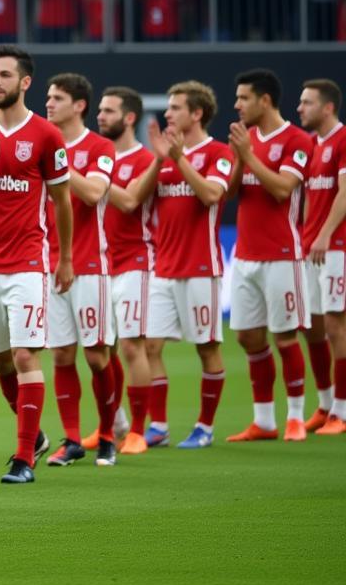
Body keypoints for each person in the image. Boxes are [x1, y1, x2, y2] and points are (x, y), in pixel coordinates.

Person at [0, 45, 73, 484]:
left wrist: (64, 258)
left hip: (29, 262)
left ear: (25, 82)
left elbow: (63, 200)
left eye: (5, 75)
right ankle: (37, 436)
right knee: (0, 363)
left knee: (25, 353)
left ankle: (24, 458)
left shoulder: (46, 135)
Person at [123, 82, 233, 448]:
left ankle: (204, 426)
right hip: (162, 268)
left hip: (201, 267)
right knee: (150, 347)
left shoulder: (218, 152)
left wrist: (180, 159)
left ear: (197, 113)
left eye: (176, 108)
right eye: (168, 107)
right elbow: (135, 200)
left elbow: (212, 195)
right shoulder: (163, 156)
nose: (168, 114)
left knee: (207, 347)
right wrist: (159, 159)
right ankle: (160, 425)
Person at [226, 69, 314, 442]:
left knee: (285, 338)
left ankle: (295, 416)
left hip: (282, 254)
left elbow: (282, 190)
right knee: (248, 337)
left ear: (264, 100)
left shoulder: (297, 140)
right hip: (245, 254)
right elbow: (230, 193)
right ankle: (264, 420)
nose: (237, 104)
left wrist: (249, 155)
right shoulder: (246, 140)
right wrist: (239, 158)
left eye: (244, 98)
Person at [43, 73, 119, 467]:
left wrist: (56, 164)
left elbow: (92, 192)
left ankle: (107, 434)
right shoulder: (44, 143)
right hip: (49, 264)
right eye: (48, 97)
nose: (49, 104)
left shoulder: (100, 146)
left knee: (96, 356)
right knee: (60, 355)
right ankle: (72, 439)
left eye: (57, 98)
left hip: (90, 265)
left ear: (79, 105)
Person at [97, 87, 155, 454]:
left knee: (133, 346)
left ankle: (137, 430)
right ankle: (112, 425)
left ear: (129, 117)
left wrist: (92, 179)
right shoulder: (95, 157)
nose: (101, 116)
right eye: (99, 110)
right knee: (102, 347)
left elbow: (132, 200)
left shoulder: (147, 158)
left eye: (109, 111)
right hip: (100, 262)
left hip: (135, 260)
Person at [296, 79, 346, 434]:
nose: (300, 108)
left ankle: (341, 411)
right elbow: (312, 195)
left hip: (337, 245)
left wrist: (326, 234)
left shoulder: (342, 139)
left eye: (307, 102)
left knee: (334, 324)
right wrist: (307, 235)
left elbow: (344, 191)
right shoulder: (313, 145)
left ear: (327, 107)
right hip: (312, 246)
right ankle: (325, 403)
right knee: (311, 325)